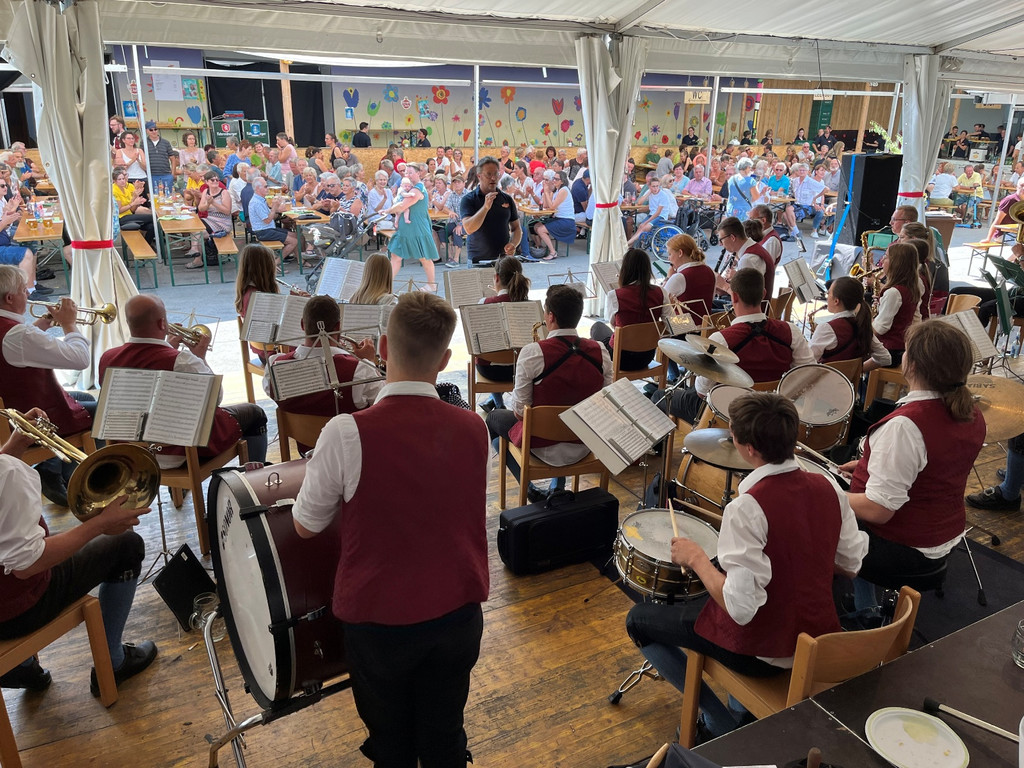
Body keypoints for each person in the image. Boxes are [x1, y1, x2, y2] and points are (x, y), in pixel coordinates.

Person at [291, 292, 489, 768]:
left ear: (382, 346)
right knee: (445, 730)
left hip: (379, 619)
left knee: (391, 739)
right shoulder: (475, 427)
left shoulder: (344, 432)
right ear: (445, 359)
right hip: (458, 611)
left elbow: (303, 526)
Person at [626, 392, 867, 737]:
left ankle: (718, 721)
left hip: (765, 654)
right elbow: (851, 564)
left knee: (639, 621)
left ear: (749, 448)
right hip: (818, 635)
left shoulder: (747, 507)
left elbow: (741, 609)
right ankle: (735, 709)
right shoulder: (828, 485)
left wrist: (695, 558)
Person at [0, 409, 158, 695]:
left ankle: (22, 669)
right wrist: (100, 525)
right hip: (14, 612)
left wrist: (13, 447)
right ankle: (113, 662)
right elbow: (27, 564)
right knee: (126, 544)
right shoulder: (7, 473)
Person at [842, 322, 984, 606]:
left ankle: (864, 613)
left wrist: (826, 493)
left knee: (812, 514)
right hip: (943, 535)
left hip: (905, 549)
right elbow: (935, 465)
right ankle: (864, 600)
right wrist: (868, 464)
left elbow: (879, 510)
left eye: (906, 351)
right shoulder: (972, 412)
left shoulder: (906, 426)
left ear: (913, 365)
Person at [99, 295, 268, 467]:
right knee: (255, 414)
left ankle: (179, 492)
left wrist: (167, 348)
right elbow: (215, 400)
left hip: (131, 452)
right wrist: (200, 358)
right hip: (180, 451)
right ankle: (255, 478)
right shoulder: (183, 361)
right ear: (162, 324)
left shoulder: (107, 357)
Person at [486, 285, 612, 502]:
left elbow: (519, 413)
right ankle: (558, 486)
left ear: (551, 316)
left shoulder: (532, 352)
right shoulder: (600, 350)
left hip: (542, 448)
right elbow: (605, 402)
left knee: (495, 418)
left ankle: (528, 487)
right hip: (584, 442)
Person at [655, 269, 814, 424]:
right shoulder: (791, 331)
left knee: (658, 396)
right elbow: (809, 372)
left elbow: (702, 392)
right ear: (764, 294)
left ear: (734, 297)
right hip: (776, 411)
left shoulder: (721, 339)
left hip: (729, 414)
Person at [0, 266, 95, 506]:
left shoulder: (14, 332)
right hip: (29, 418)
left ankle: (57, 468)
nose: (29, 294)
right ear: (10, 298)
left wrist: (44, 323)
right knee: (101, 412)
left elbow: (17, 347)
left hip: (10, 408)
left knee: (80, 395)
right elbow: (80, 359)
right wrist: (69, 324)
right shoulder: (18, 335)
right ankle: (85, 482)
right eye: (24, 290)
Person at [264, 296, 382, 449]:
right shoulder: (361, 371)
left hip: (304, 451)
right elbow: (382, 405)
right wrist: (368, 362)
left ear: (302, 324)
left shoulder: (274, 366)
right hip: (350, 454)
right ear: (338, 326)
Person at [590, 248, 671, 370]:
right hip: (647, 356)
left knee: (597, 327)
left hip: (620, 357)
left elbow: (614, 324)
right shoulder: (661, 292)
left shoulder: (615, 295)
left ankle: (602, 375)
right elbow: (672, 325)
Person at [475, 256, 530, 411]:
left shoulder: (484, 303)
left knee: (489, 350)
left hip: (490, 370)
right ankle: (494, 402)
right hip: (520, 369)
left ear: (497, 278)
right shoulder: (529, 305)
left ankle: (498, 404)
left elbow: (476, 343)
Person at [809, 276, 890, 371]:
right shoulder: (862, 325)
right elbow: (885, 358)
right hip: (853, 385)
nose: (827, 295)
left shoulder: (827, 328)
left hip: (828, 384)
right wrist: (856, 370)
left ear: (836, 301)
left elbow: (806, 363)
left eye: (829, 293)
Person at [461, 156, 523, 265]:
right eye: (489, 174)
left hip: (503, 260)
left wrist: (513, 244)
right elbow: (468, 229)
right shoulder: (469, 199)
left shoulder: (507, 199)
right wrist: (485, 208)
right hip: (478, 260)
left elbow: (516, 228)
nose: (493, 178)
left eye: (496, 174)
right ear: (479, 176)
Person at [384, 162, 436, 291]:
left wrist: (387, 210)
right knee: (395, 256)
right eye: (406, 173)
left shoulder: (418, 189)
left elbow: (402, 206)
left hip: (417, 228)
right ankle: (385, 285)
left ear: (418, 173)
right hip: (406, 229)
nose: (408, 175)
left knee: (424, 257)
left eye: (410, 172)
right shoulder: (409, 189)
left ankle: (432, 284)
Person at [871, 242, 922, 366]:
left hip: (888, 352)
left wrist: (860, 332)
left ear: (896, 263)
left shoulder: (894, 293)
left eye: (886, 256)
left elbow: (881, 328)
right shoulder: (911, 287)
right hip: (899, 348)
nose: (882, 259)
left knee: (852, 360)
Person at [715, 216, 776, 300]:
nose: (720, 244)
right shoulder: (754, 248)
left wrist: (723, 285)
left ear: (732, 237)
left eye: (721, 240)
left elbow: (746, 298)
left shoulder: (748, 259)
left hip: (750, 311)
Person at [0, 190, 42, 298]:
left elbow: (5, 226)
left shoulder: (2, 201)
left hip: (5, 241)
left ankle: (33, 285)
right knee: (25, 254)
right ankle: (28, 292)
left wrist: (10, 214)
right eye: (2, 186)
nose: (5, 188)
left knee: (32, 245)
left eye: (5, 185)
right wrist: (5, 221)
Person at [248, 177, 297, 265]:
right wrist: (275, 207)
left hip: (268, 229)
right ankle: (275, 263)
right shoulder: (256, 202)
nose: (268, 188)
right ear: (258, 188)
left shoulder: (261, 200)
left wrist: (278, 210)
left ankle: (301, 261)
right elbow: (267, 220)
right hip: (263, 232)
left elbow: (271, 217)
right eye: (266, 186)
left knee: (296, 236)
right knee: (294, 241)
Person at [533, 171, 577, 261]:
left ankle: (553, 252)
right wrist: (546, 192)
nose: (554, 180)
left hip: (566, 221)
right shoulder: (556, 190)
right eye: (554, 178)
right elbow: (545, 205)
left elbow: (552, 207)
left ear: (562, 181)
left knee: (541, 229)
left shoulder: (563, 190)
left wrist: (546, 191)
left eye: (557, 179)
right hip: (558, 218)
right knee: (536, 226)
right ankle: (542, 248)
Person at [625, 176, 678, 247]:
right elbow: (640, 202)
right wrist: (648, 193)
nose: (655, 188)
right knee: (641, 226)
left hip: (661, 216)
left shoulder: (663, 195)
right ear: (649, 186)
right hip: (652, 214)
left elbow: (658, 212)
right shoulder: (650, 193)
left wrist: (646, 222)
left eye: (657, 186)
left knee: (644, 227)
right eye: (653, 186)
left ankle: (627, 244)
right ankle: (630, 244)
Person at [144, 121, 177, 195]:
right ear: (146, 131)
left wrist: (173, 174)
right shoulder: (143, 143)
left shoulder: (166, 142)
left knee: (168, 196)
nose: (154, 131)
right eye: (151, 130)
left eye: (155, 129)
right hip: (151, 175)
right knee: (154, 197)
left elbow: (172, 158)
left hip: (166, 174)